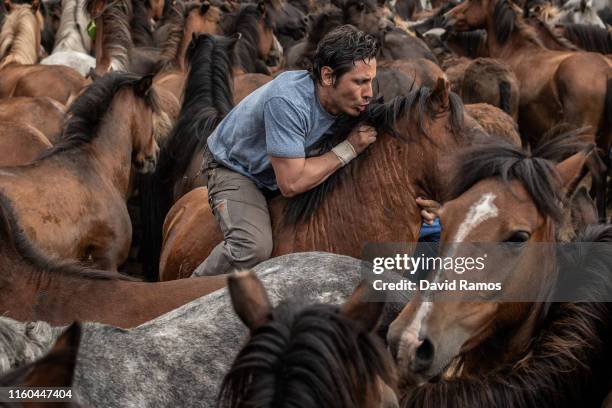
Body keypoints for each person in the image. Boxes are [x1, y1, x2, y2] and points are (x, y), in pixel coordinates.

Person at [192, 25, 436, 277]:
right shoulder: (288, 101)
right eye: (360, 82)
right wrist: (349, 148)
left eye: (371, 81)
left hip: (290, 165)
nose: (369, 93)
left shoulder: (350, 103)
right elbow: (291, 183)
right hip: (237, 170)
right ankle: (186, 294)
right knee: (252, 248)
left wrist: (408, 203)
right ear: (328, 77)